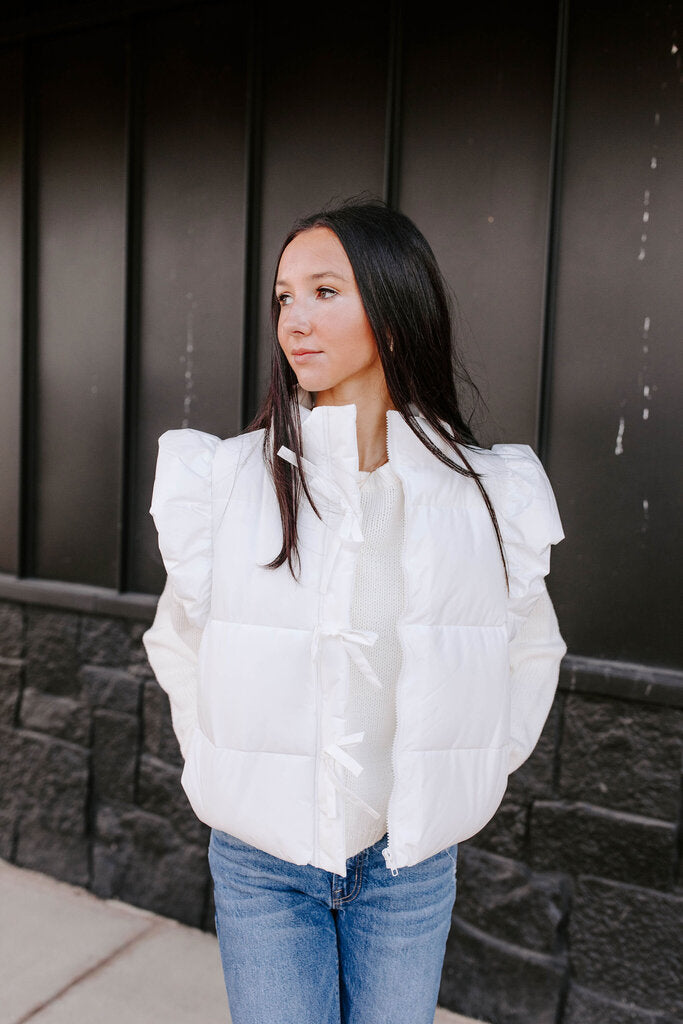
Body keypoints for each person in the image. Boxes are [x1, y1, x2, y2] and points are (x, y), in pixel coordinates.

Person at [142, 198, 567, 1024]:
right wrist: (230, 774)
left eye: (324, 291)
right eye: (283, 297)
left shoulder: (483, 495)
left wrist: (462, 776)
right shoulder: (224, 482)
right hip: (262, 862)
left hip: (407, 865)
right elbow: (178, 644)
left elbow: (527, 649)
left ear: (396, 313)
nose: (294, 319)